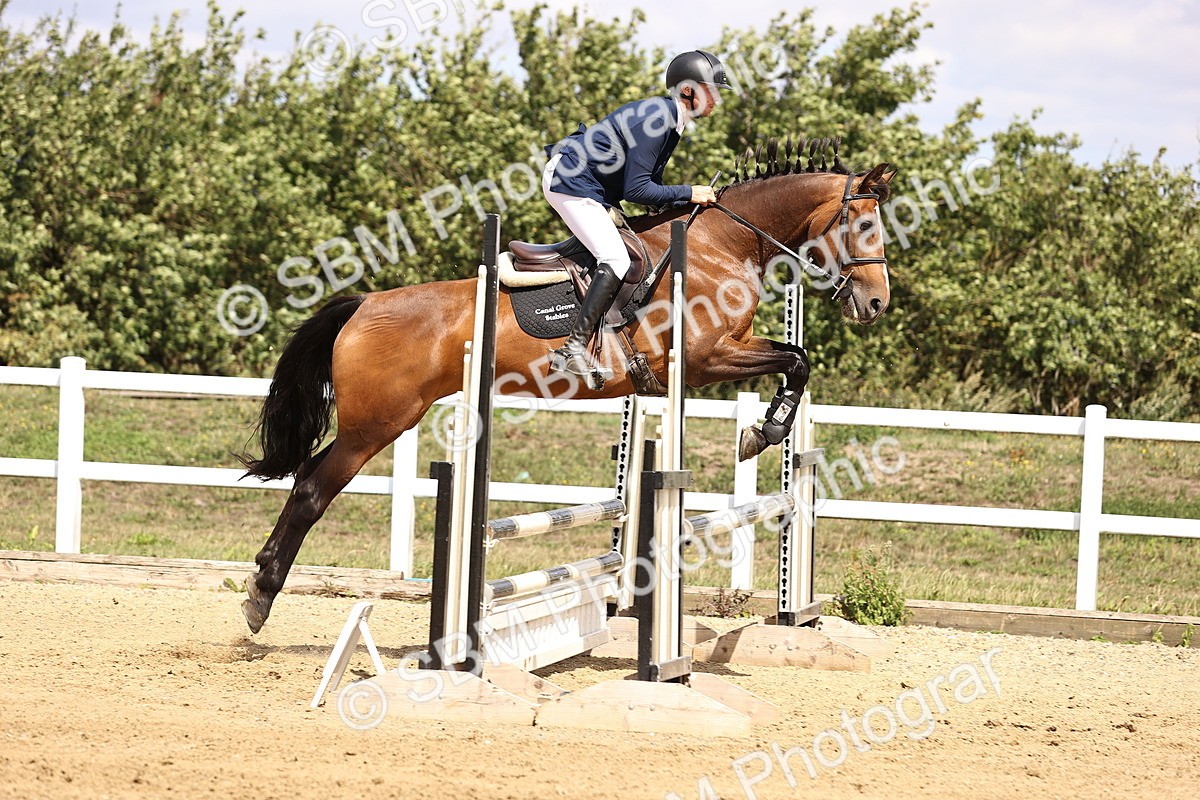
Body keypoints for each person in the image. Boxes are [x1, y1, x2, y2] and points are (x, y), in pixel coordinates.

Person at [542, 49, 731, 383]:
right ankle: (573, 348)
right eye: (710, 90)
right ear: (687, 90)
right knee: (615, 258)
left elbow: (648, 186)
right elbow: (637, 190)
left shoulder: (672, 121)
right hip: (571, 182)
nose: (716, 99)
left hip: (591, 186)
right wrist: (689, 192)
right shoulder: (657, 120)